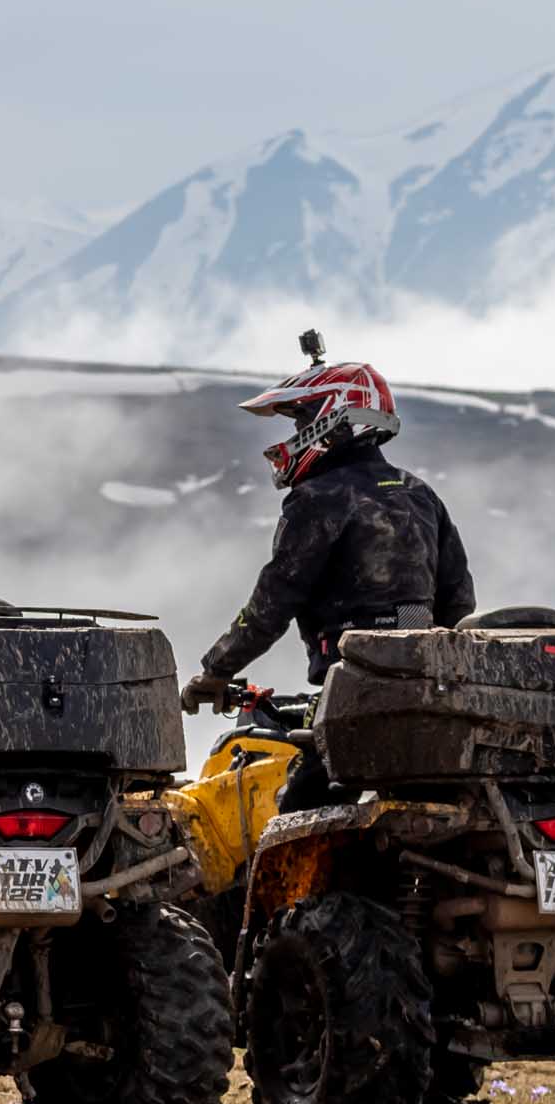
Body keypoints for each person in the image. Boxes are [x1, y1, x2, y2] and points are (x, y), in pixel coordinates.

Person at [179, 334, 475, 811]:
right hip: (429, 690)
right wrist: (416, 643)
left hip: (355, 689)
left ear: (332, 421)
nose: (293, 433)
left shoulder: (319, 499)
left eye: (300, 418)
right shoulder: (419, 493)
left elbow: (273, 602)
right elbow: (459, 602)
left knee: (295, 819)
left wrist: (214, 672)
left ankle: (304, 891)